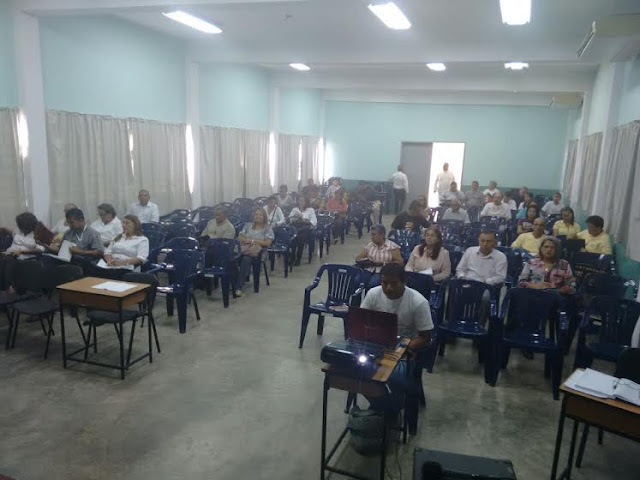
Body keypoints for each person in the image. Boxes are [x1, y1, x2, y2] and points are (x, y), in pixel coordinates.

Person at [360, 263, 434, 434]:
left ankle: (389, 409)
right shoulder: (373, 294)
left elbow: (425, 337)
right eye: (384, 283)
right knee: (355, 372)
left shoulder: (417, 302)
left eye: (394, 283)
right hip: (376, 345)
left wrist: (402, 349)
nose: (388, 288)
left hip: (404, 350)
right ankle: (386, 407)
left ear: (404, 282)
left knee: (394, 378)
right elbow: (363, 321)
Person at [235, 208, 274, 297]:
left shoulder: (267, 228)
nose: (258, 216)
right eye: (256, 214)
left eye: (260, 215)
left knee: (245, 260)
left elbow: (267, 243)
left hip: (259, 252)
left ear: (264, 217)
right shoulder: (248, 225)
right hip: (245, 249)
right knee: (232, 259)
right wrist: (248, 241)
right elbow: (240, 237)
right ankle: (233, 282)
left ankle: (238, 287)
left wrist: (252, 240)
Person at [355, 224, 403, 288]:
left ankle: (371, 296)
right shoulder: (370, 245)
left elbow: (400, 262)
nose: (372, 237)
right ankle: (356, 297)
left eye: (374, 235)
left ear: (382, 235)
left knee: (373, 284)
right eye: (371, 235)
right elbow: (358, 257)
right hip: (369, 269)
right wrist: (365, 262)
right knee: (357, 281)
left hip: (384, 271)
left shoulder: (392, 247)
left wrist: (383, 263)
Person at [288, 195, 317, 266]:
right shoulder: (295, 209)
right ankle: (292, 256)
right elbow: (290, 219)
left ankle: (298, 257)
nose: (301, 202)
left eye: (303, 201)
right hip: (296, 227)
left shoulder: (310, 210)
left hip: (305, 228)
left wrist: (304, 220)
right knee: (293, 237)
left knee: (301, 237)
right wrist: (295, 218)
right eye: (300, 201)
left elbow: (314, 221)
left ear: (306, 202)